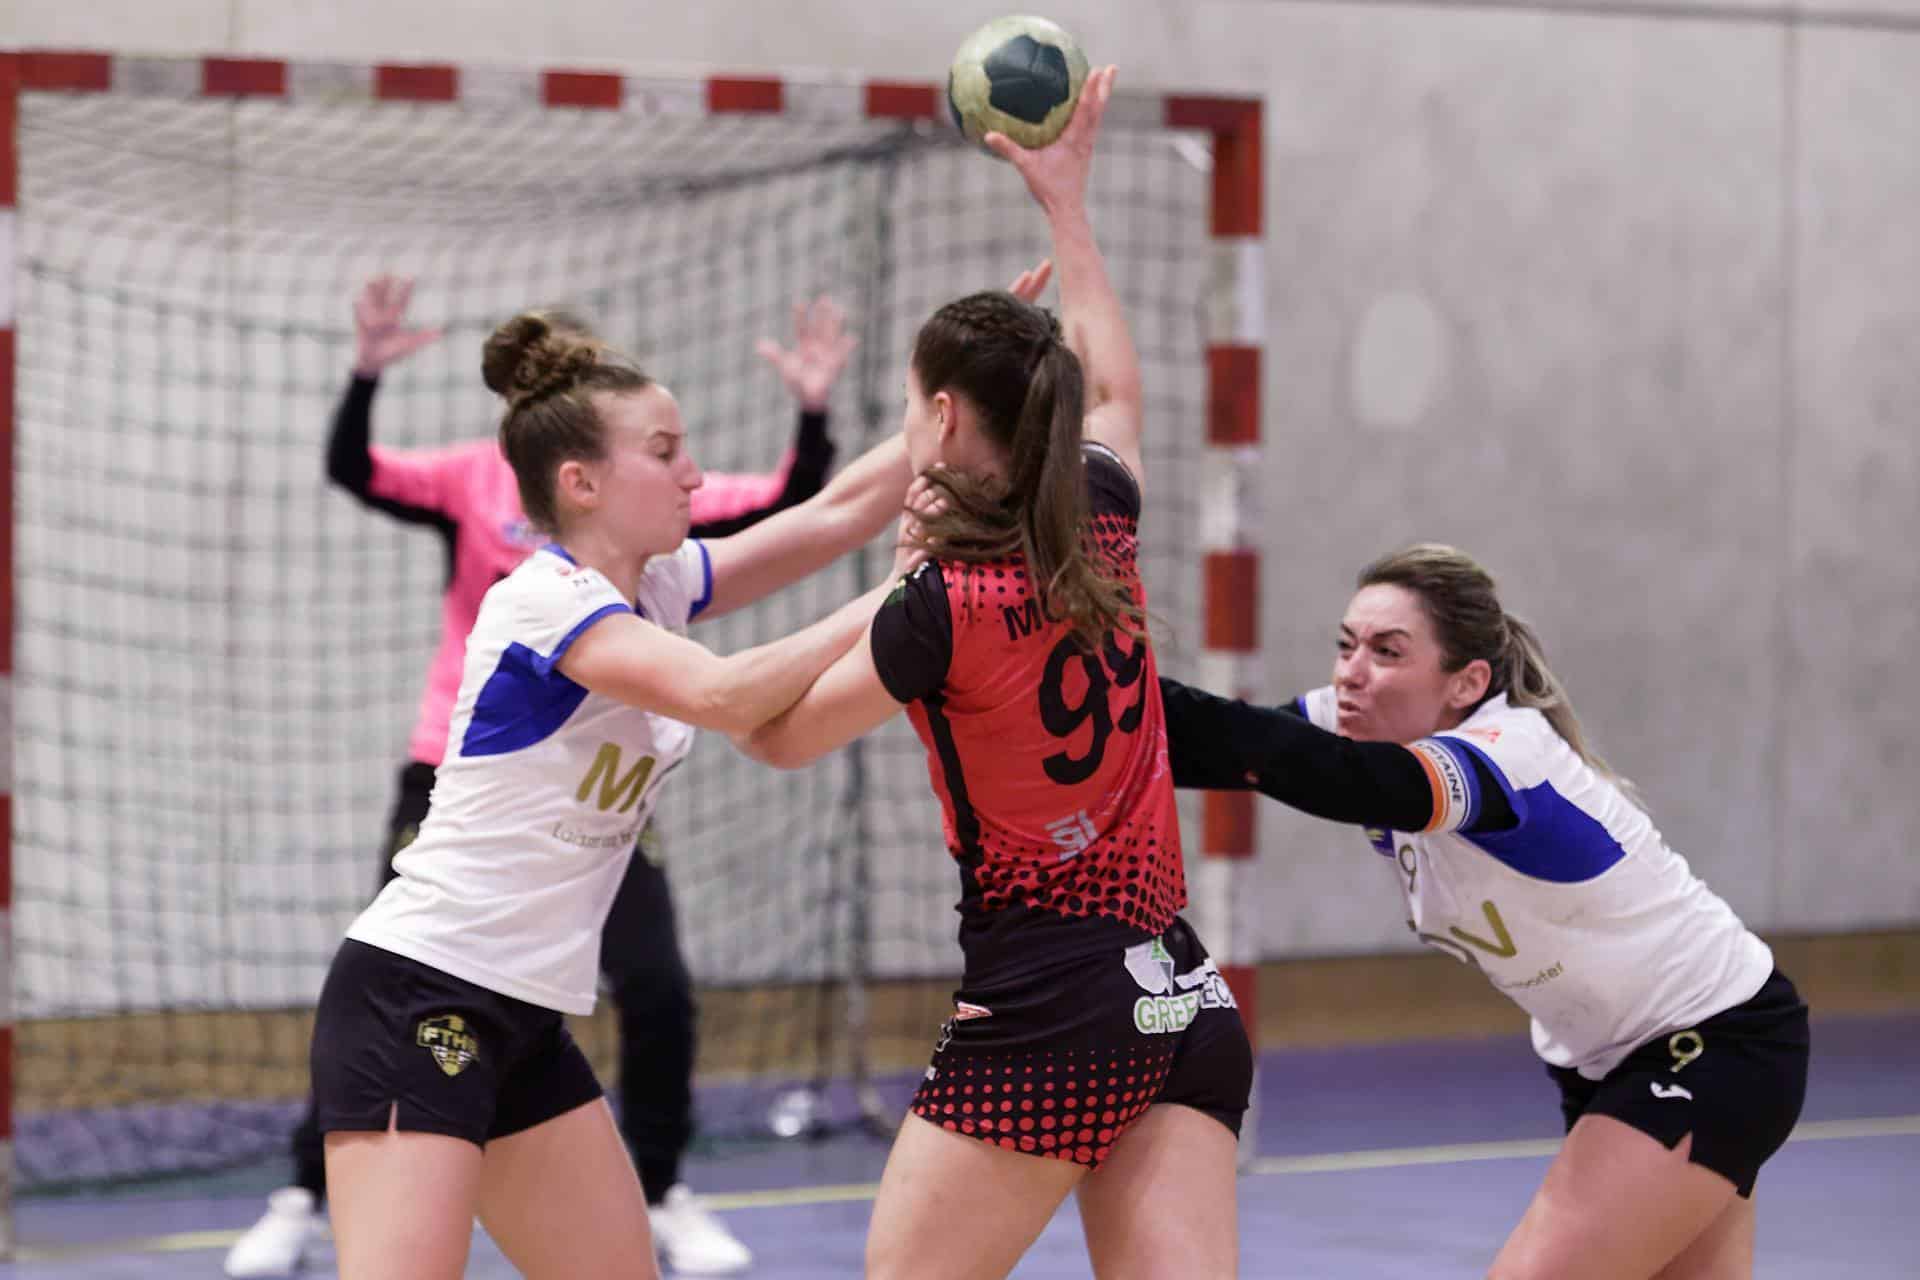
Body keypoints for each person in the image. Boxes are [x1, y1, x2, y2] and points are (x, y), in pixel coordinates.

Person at [734, 67, 1252, 1280]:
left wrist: (900, 579)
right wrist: (1066, 204)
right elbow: (1117, 388)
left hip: (1047, 1011)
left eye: (914, 406)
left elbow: (776, 734)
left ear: (950, 417)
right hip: (1178, 992)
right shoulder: (1103, 518)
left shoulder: (944, 609)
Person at [225, 280, 854, 1277]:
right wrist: (919, 595)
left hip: (524, 1019)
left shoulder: (656, 580)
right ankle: (296, 1189)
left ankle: (671, 1183)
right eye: (665, 451)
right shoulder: (546, 599)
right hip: (421, 994)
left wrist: (982, 411)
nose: (694, 473)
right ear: (581, 482)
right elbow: (734, 696)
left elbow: (833, 515)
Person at [1157, 543, 1811, 1280]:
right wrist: (1080, 696)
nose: (1351, 672)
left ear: (1467, 682)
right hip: (1607, 1063)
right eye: (1346, 646)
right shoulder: (1364, 720)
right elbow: (1223, 745)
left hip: (1713, 1042)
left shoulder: (1507, 753)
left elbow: (1346, 781)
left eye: (1386, 651)